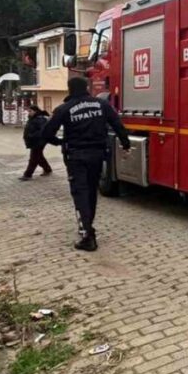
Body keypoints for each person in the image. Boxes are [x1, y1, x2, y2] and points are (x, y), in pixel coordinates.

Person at [42, 77, 130, 252]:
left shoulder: (64, 109)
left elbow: (46, 133)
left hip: (76, 157)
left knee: (80, 193)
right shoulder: (102, 105)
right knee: (91, 192)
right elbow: (117, 124)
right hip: (97, 155)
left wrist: (58, 142)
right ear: (87, 87)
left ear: (69, 89)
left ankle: (88, 235)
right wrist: (125, 143)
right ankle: (88, 227)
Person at [20, 105, 53, 180]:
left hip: (39, 141)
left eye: (30, 111)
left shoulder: (40, 119)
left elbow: (42, 131)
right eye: (28, 111)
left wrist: (32, 135)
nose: (29, 113)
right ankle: (47, 169)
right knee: (39, 156)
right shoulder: (32, 118)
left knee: (33, 158)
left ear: (35, 111)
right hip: (34, 140)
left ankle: (27, 174)